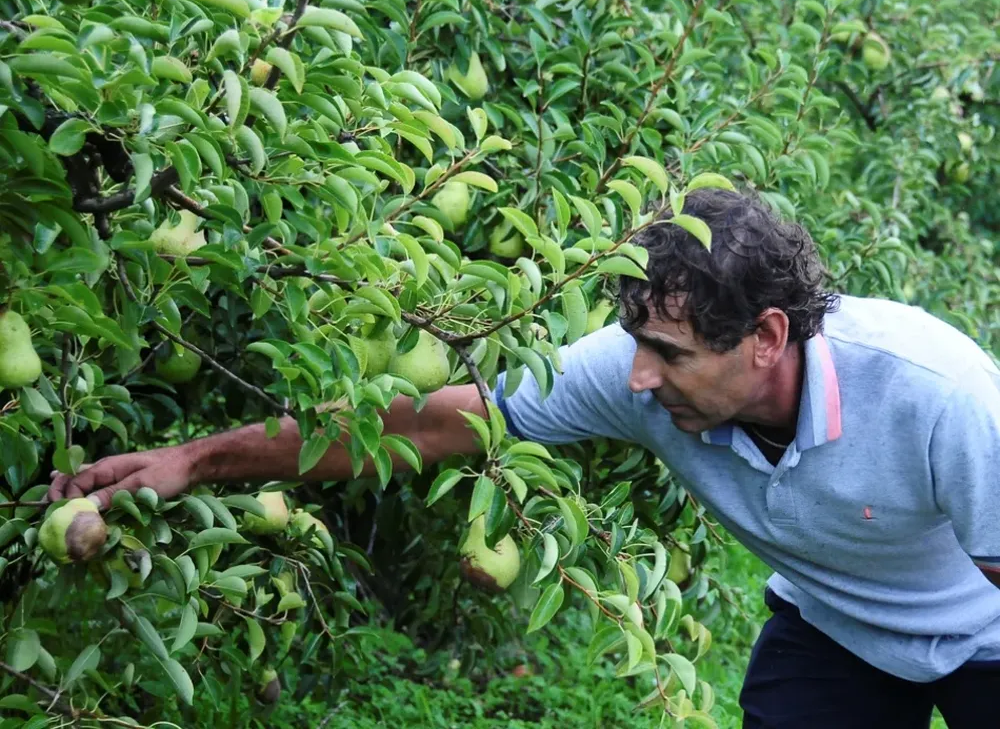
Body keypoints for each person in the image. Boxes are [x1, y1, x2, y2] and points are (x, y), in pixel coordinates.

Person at [49, 188, 1000, 728]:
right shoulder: (636, 374)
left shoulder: (939, 396)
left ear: (765, 337)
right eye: (634, 342)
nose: (635, 378)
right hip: (834, 627)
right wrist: (199, 460)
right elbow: (420, 425)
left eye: (667, 355)